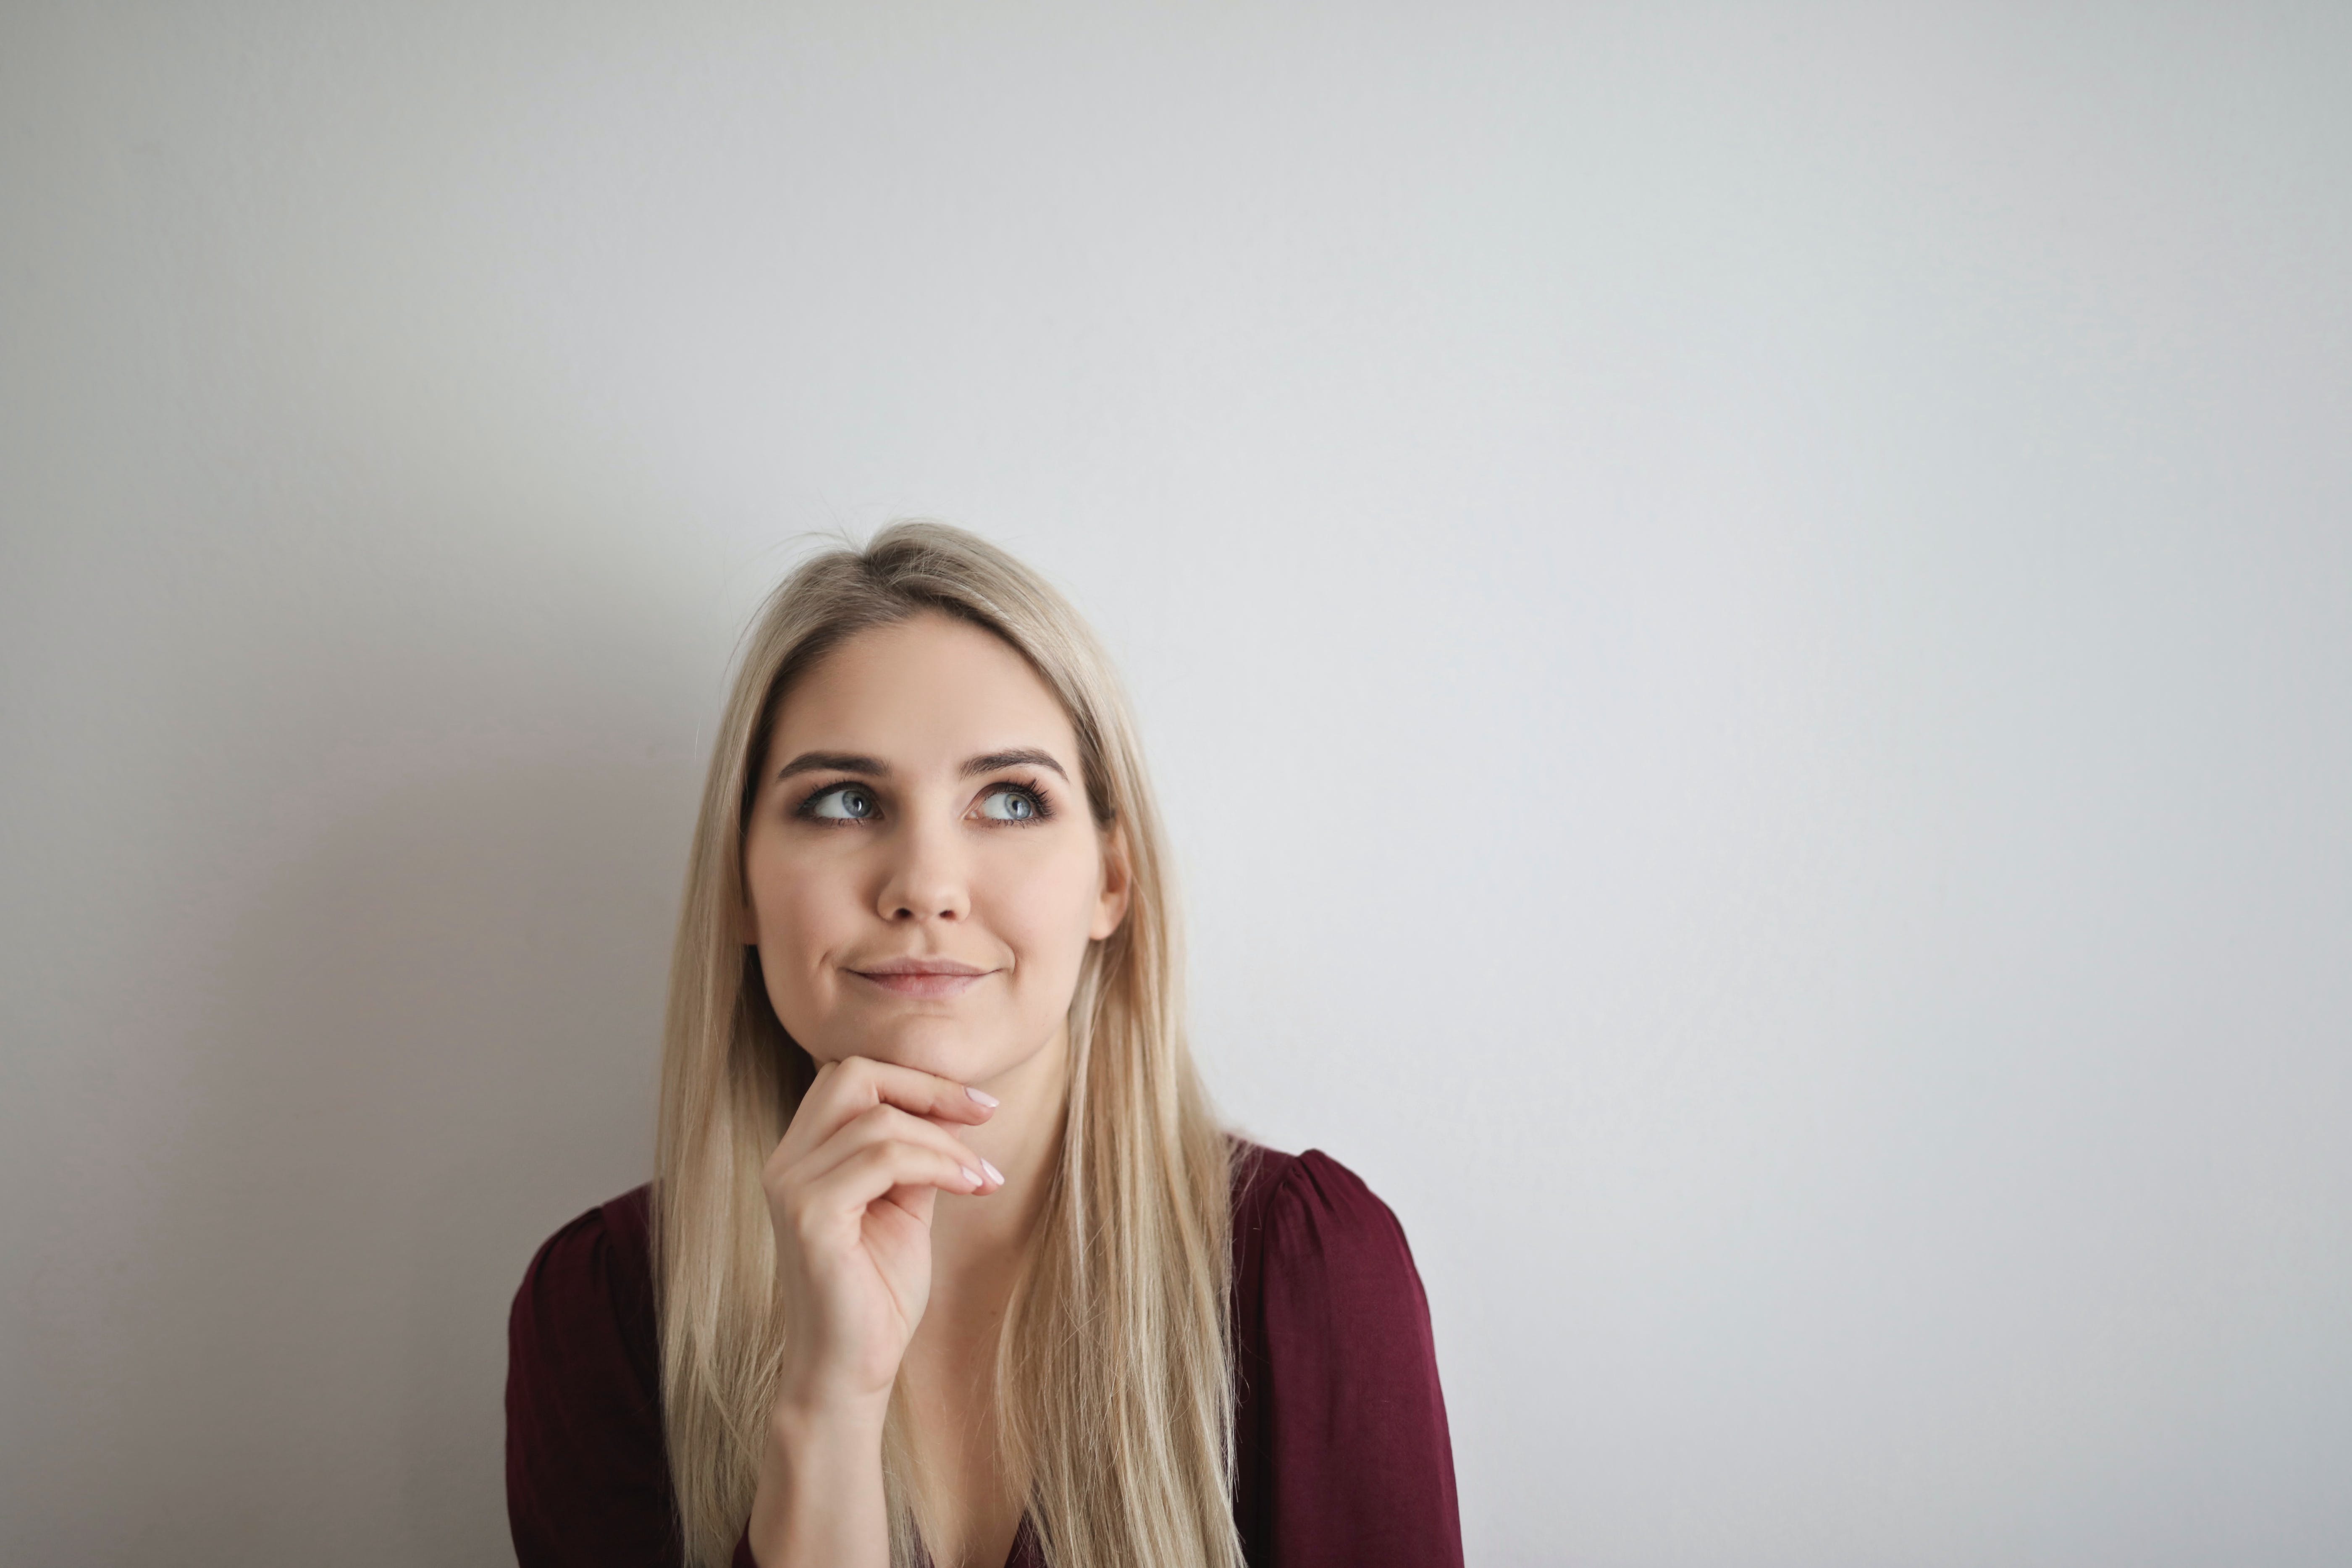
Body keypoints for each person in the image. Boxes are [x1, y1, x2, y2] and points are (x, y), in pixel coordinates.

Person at [505, 523, 1461, 1568]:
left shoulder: (1305, 1270)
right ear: (740, 883)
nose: (925, 883)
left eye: (1010, 800)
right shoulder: (601, 1311)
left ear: (1110, 880)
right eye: (844, 801)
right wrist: (825, 1411)